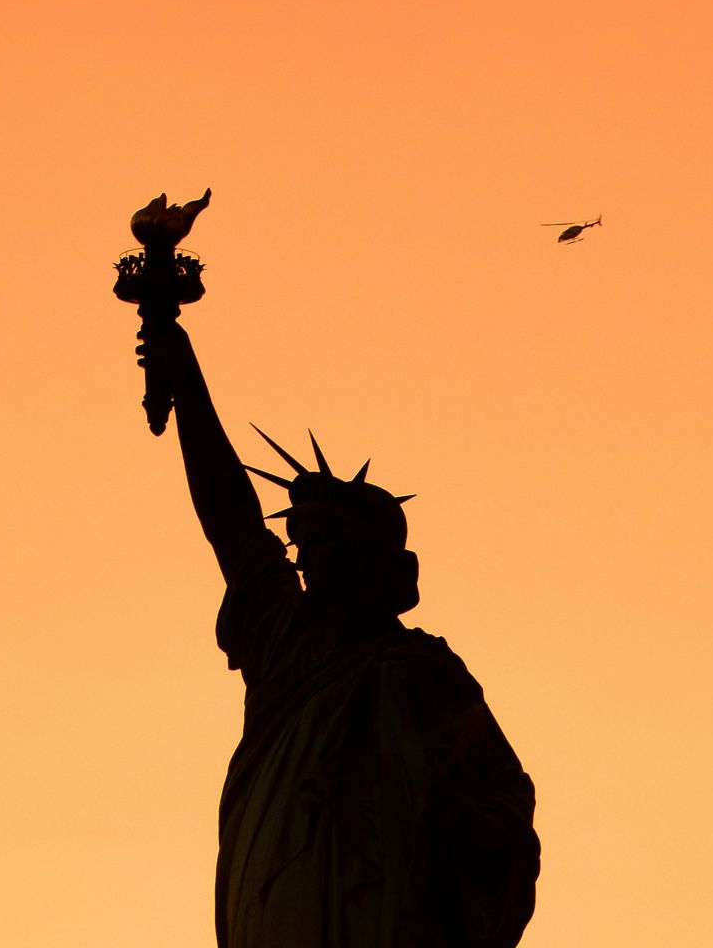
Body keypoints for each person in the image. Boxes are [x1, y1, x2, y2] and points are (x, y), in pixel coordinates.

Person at [135, 307, 540, 948]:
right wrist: (184, 378)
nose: (303, 557)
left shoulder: (427, 674)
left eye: (321, 542)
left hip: (391, 907)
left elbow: (504, 791)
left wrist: (467, 825)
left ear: (376, 561)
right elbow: (230, 514)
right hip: (281, 888)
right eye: (298, 543)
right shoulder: (283, 639)